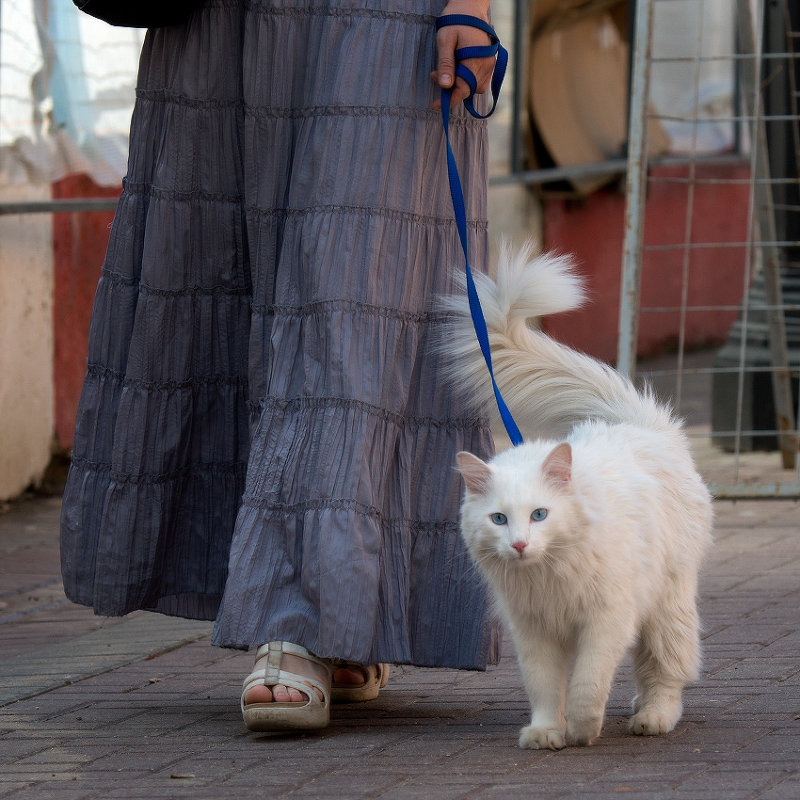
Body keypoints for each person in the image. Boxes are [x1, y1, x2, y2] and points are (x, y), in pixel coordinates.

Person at [60, 0, 501, 731]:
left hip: (385, 24)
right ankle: (346, 620)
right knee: (221, 270)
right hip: (219, 23)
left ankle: (302, 622)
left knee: (352, 290)